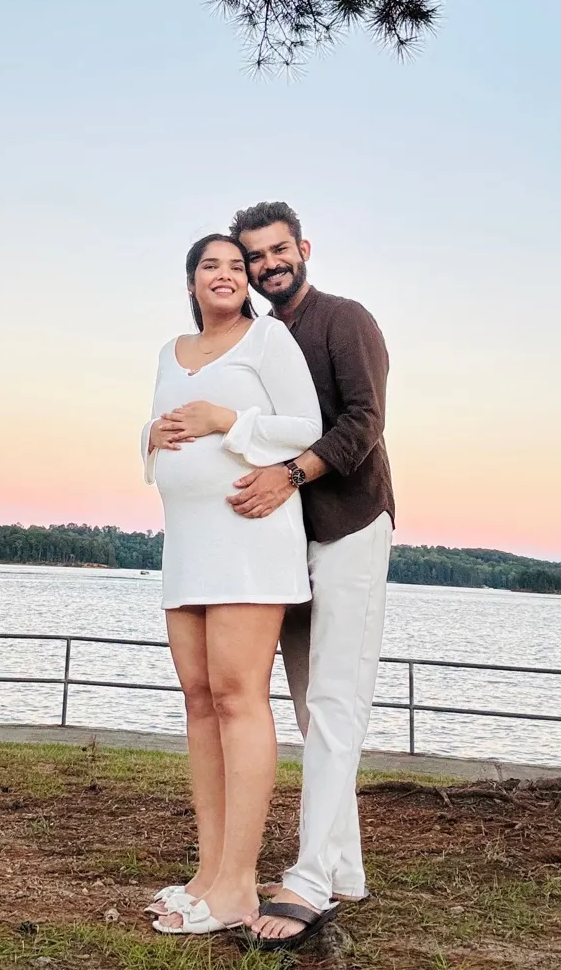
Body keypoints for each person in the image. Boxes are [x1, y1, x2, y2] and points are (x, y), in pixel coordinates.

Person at [140, 232, 324, 937]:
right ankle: (208, 870)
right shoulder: (170, 352)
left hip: (249, 539)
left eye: (235, 265)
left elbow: (306, 426)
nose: (224, 274)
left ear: (247, 281)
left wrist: (226, 421)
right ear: (190, 282)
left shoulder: (269, 339)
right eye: (209, 265)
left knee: (237, 696)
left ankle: (238, 883)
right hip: (187, 542)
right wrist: (149, 436)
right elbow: (158, 428)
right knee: (198, 698)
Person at [227, 201, 394, 951]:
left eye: (278, 249)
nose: (268, 264)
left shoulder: (344, 319)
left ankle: (311, 878)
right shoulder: (262, 339)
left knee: (334, 704)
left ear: (303, 248)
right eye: (254, 256)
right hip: (284, 542)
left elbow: (364, 422)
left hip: (351, 524)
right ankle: (344, 866)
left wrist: (291, 473)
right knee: (309, 709)